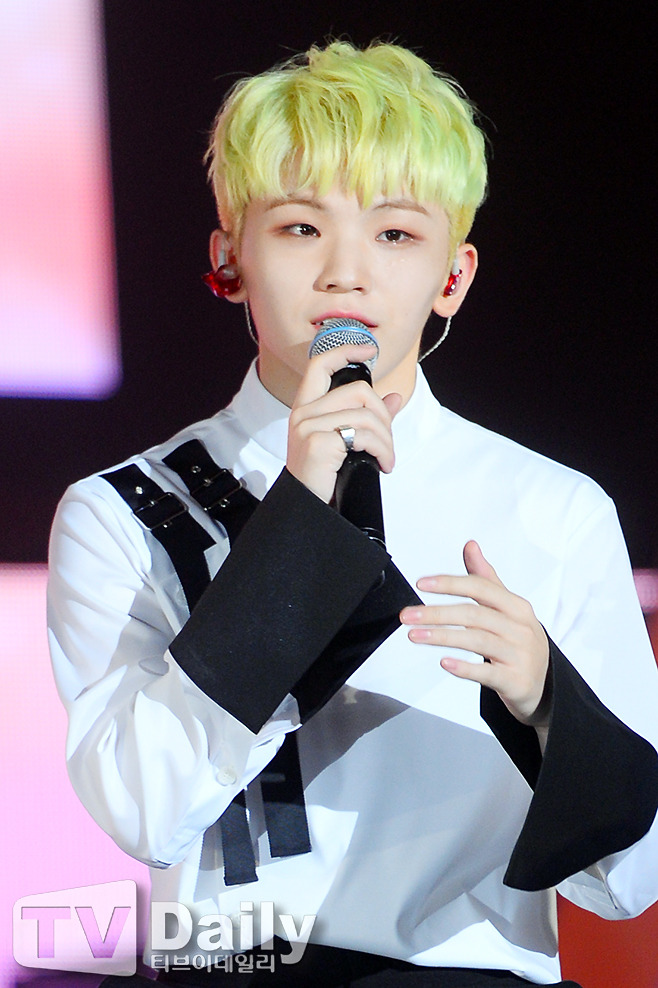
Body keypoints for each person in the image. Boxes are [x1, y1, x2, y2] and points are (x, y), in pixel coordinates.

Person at [47, 40, 658, 987]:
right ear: (228, 258)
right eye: (300, 227)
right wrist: (296, 525)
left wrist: (548, 706)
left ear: (453, 276)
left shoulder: (553, 509)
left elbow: (631, 882)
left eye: (396, 235)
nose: (346, 273)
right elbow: (140, 808)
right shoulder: (123, 510)